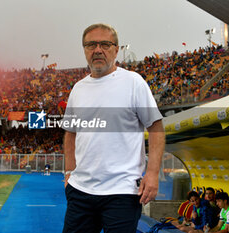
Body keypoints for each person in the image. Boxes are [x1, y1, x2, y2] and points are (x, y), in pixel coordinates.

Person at [62, 23, 165, 233]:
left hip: (123, 191)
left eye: (105, 44)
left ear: (116, 49)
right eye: (91, 44)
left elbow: (155, 127)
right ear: (84, 50)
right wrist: (69, 172)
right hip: (81, 190)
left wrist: (152, 173)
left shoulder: (133, 82)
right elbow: (71, 133)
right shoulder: (78, 89)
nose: (98, 49)